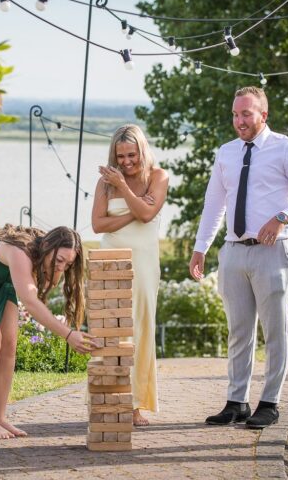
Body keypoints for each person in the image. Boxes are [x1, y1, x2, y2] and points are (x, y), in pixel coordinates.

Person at [189, 86, 288, 429]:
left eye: (246, 114)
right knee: (238, 331)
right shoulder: (226, 153)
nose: (239, 121)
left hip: (273, 252)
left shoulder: (287, 149)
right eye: (235, 114)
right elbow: (214, 204)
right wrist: (201, 247)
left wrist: (282, 217)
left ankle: (270, 402)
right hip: (233, 252)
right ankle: (237, 402)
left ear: (264, 114)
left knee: (275, 330)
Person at [0, 224, 96, 439]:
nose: (62, 267)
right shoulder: (20, 253)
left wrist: (55, 270)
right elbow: (30, 302)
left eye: (68, 263)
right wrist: (69, 334)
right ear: (47, 246)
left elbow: (44, 286)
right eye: (60, 260)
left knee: (9, 345)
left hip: (1, 280)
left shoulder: (46, 252)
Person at [91, 124, 169, 426]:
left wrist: (124, 188)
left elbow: (148, 215)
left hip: (145, 263)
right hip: (110, 259)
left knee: (139, 330)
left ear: (142, 151)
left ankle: (134, 404)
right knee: (110, 331)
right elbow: (97, 225)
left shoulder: (157, 177)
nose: (125, 162)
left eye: (131, 155)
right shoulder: (104, 183)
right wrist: (132, 212)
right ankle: (108, 399)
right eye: (120, 156)